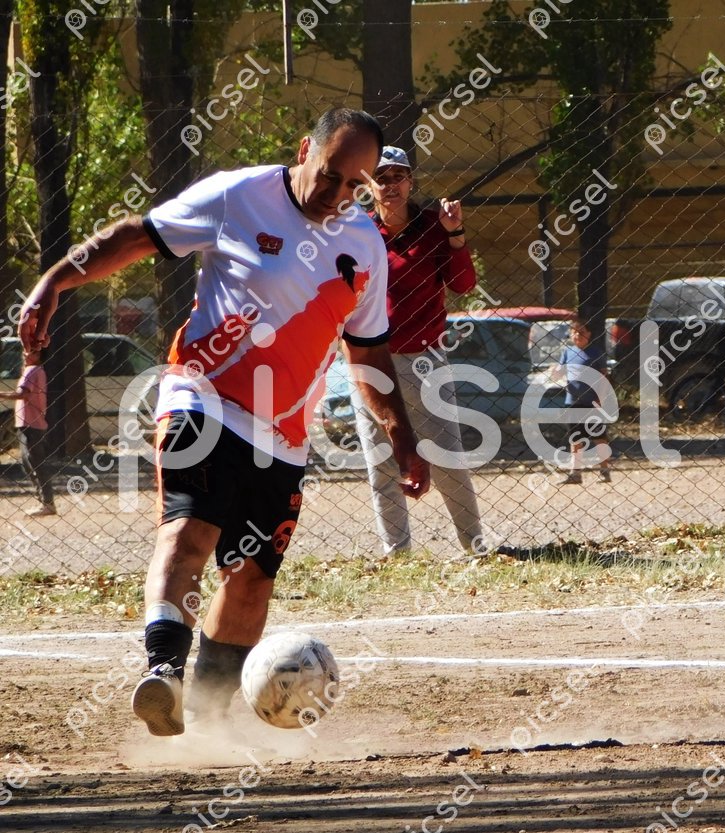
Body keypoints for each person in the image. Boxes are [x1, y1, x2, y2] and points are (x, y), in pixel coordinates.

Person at [19, 108, 430, 736]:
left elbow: (367, 351)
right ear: (305, 150)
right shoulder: (238, 196)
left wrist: (403, 438)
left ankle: (204, 719)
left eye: (356, 184)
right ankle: (163, 671)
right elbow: (136, 236)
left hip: (283, 436)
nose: (337, 194)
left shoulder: (365, 245)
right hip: (202, 397)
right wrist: (55, 282)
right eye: (330, 175)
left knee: (250, 583)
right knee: (190, 532)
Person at [353, 146, 484, 554]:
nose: (391, 185)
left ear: (411, 182)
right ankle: (397, 554)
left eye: (399, 176)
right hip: (370, 360)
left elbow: (463, 285)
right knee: (381, 460)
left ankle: (475, 546)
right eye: (382, 177)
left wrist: (455, 234)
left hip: (424, 359)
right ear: (369, 185)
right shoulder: (358, 231)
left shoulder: (432, 227)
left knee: (446, 457)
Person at [554, 319, 612, 484]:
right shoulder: (567, 352)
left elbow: (604, 378)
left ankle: (605, 471)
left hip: (592, 402)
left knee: (599, 437)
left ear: (589, 334)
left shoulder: (595, 353)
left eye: (581, 332)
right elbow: (558, 373)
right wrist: (555, 371)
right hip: (572, 402)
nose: (578, 335)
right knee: (575, 438)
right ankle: (575, 473)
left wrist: (600, 399)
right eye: (574, 332)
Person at [0, 347, 56, 516]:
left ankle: (47, 503)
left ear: (38, 355)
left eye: (30, 352)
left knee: (34, 462)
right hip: (29, 422)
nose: (25, 354)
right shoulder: (35, 370)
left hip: (31, 423)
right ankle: (45, 501)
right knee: (29, 462)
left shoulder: (32, 370)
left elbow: (22, 394)